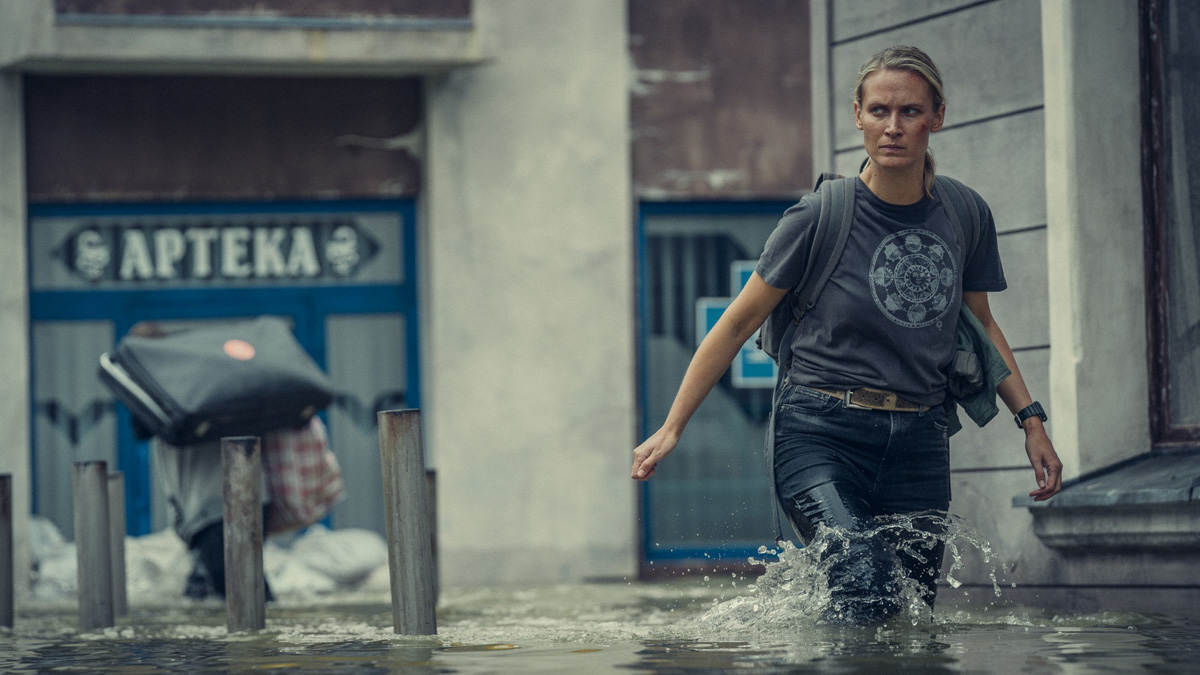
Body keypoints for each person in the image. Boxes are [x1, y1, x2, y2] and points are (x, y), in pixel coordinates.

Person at [631, 45, 1063, 625]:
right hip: (818, 433)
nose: (893, 127)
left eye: (910, 112)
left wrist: (1031, 421)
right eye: (879, 110)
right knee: (864, 584)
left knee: (909, 618)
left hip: (919, 441)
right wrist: (673, 426)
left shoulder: (964, 214)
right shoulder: (818, 216)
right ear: (857, 114)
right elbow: (736, 322)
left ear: (937, 116)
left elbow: (981, 325)